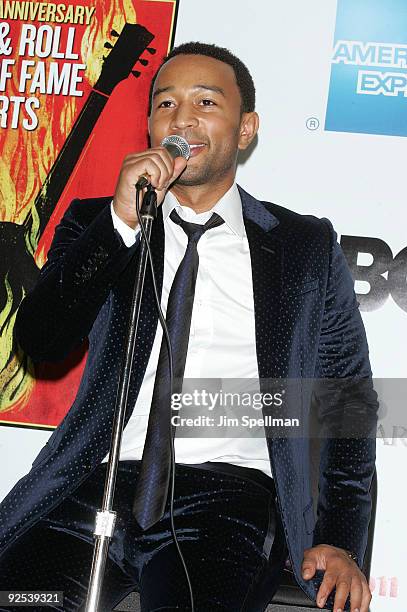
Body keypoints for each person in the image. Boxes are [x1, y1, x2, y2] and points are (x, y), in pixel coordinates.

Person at [0, 42, 377, 612]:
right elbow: (41, 341)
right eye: (165, 104)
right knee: (23, 598)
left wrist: (344, 540)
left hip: (225, 502)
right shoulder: (99, 224)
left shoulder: (302, 248)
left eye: (206, 101)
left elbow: (346, 403)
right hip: (95, 487)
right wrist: (121, 224)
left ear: (246, 129)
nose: (182, 118)